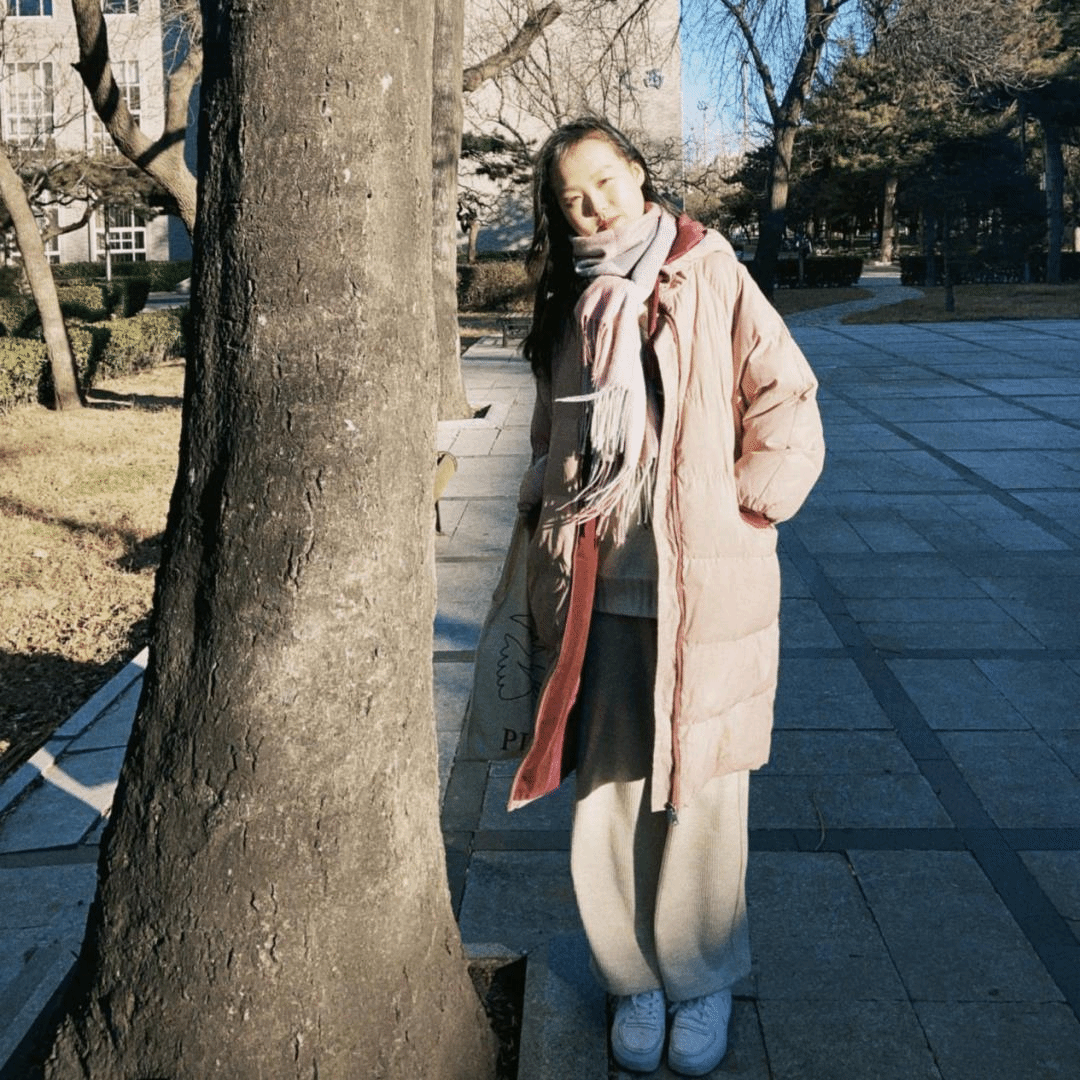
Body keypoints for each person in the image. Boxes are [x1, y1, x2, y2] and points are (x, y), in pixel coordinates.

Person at [508, 117, 825, 1076]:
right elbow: (549, 438)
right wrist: (541, 513)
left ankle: (699, 978)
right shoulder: (573, 302)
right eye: (574, 198)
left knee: (704, 793)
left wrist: (747, 505)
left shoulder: (709, 271)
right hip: (603, 589)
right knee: (609, 795)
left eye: (607, 182)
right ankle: (632, 978)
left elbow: (786, 394)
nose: (596, 207)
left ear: (640, 176)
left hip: (706, 588)